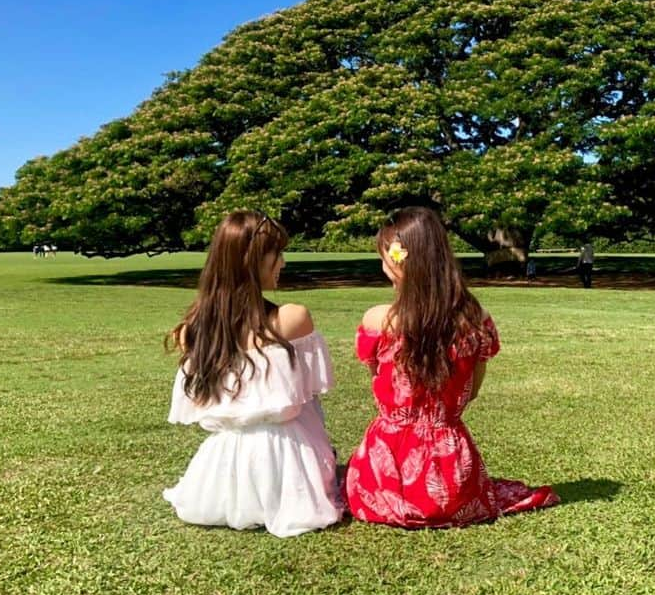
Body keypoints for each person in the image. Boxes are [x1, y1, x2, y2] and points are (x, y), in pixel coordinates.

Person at [345, 207, 559, 528]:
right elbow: (471, 392)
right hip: (454, 475)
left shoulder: (378, 320)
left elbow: (378, 381)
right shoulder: (476, 319)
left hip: (387, 471)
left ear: (395, 262)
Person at [162, 210, 343, 537]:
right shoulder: (291, 318)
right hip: (290, 461)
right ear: (253, 260)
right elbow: (310, 399)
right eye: (277, 254)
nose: (284, 263)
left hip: (218, 472)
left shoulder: (195, 331)